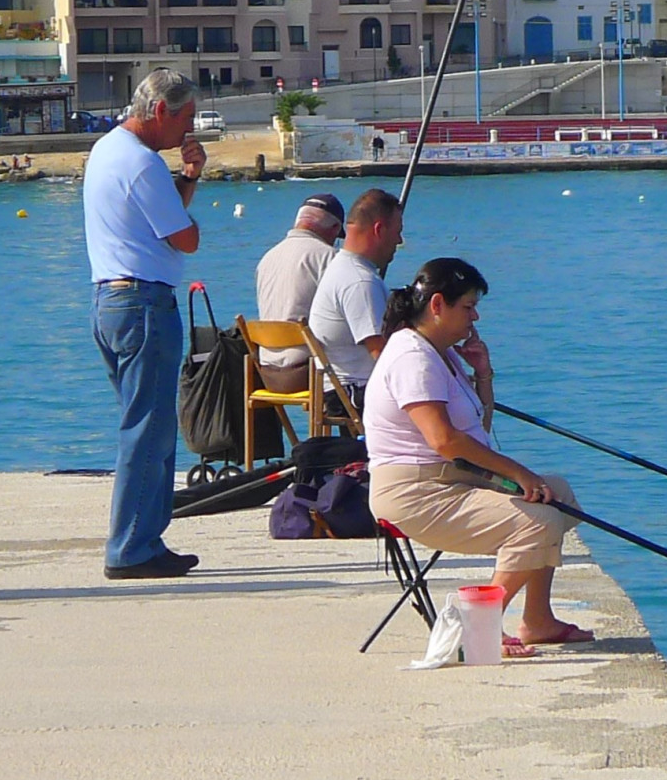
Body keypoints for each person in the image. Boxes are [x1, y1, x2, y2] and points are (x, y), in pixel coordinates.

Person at [365, 258, 592, 652]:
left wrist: (483, 373)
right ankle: (478, 628)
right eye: (468, 307)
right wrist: (519, 474)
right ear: (438, 305)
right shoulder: (412, 357)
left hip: (451, 478)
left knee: (559, 495)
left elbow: (477, 432)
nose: (476, 317)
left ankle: (537, 619)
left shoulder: (442, 353)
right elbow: (444, 440)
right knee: (537, 519)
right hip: (414, 493)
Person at [83, 68, 205, 579]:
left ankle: (145, 539)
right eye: (186, 117)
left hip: (110, 300)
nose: (189, 128)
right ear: (160, 111)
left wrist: (189, 178)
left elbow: (156, 219)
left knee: (145, 424)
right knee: (148, 429)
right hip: (143, 303)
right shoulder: (143, 163)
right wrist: (188, 201)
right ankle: (131, 546)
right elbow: (184, 238)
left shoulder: (107, 150)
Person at [306, 188, 403, 403]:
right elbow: (382, 354)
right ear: (379, 230)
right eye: (398, 232)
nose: (399, 240)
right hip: (354, 392)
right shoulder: (360, 281)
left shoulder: (342, 268)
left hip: (338, 388)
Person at [253, 192, 345, 391]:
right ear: (335, 228)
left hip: (266, 374)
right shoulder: (329, 257)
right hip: (307, 372)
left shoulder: (267, 258)